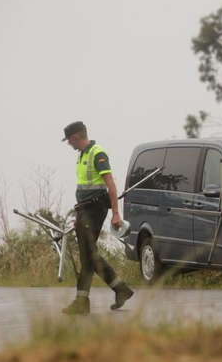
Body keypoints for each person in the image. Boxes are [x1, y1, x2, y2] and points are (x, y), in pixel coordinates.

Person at [61, 121, 133, 314]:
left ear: (75, 137)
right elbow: (83, 188)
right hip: (84, 211)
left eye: (69, 140)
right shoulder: (81, 156)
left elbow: (110, 183)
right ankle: (121, 289)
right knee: (90, 256)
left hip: (95, 210)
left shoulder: (97, 153)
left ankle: (83, 301)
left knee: (87, 257)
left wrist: (116, 213)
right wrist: (79, 215)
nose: (69, 144)